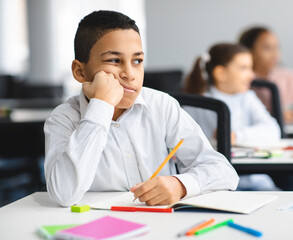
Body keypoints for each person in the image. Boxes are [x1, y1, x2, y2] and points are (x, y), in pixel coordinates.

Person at [44, 10, 239, 207]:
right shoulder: (63, 119)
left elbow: (224, 172)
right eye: (114, 60)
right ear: (80, 71)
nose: (130, 74)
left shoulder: (162, 106)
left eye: (137, 61)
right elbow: (63, 194)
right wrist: (101, 106)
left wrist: (181, 185)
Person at [184, 43, 280, 190]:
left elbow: (273, 130)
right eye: (243, 68)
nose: (252, 75)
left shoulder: (247, 97)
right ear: (221, 73)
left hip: (253, 178)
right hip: (213, 182)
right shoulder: (195, 104)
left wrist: (236, 136)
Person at [239, 27, 293, 124]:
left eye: (277, 47)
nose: (275, 54)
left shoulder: (287, 76)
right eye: (267, 48)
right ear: (249, 52)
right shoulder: (241, 79)